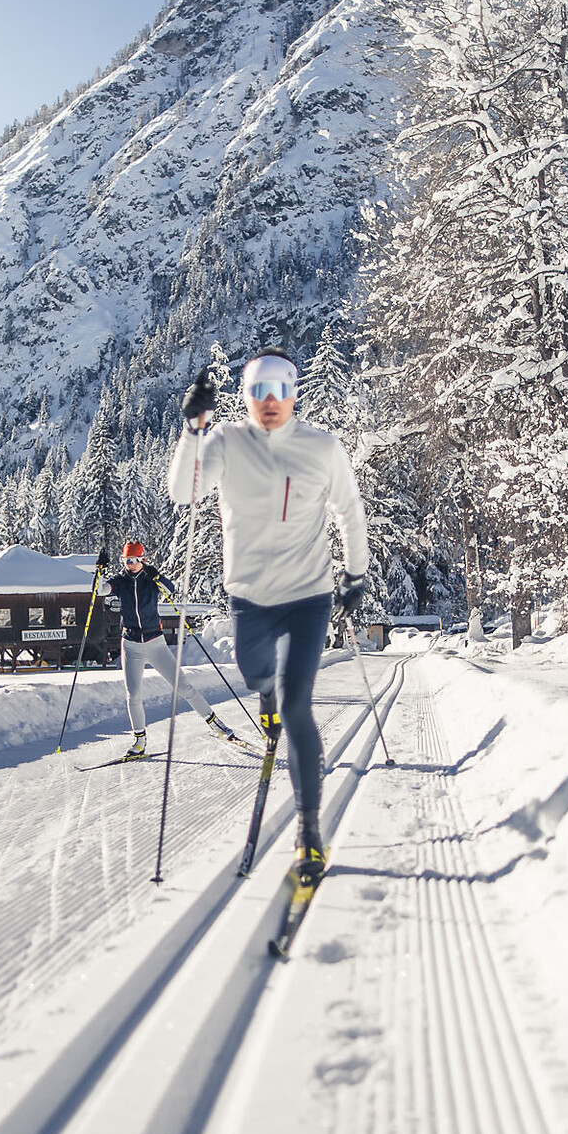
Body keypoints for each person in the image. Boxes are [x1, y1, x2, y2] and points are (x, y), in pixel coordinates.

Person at [169, 347, 369, 876]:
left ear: (294, 392)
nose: (270, 401)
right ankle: (267, 695)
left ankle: (309, 827)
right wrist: (192, 429)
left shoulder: (321, 447)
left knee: (297, 706)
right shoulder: (227, 442)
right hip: (250, 599)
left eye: (280, 389)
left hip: (308, 597)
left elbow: (349, 511)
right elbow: (182, 492)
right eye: (259, 391)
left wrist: (355, 572)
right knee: (257, 672)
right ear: (246, 396)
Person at [106, 540, 243, 758]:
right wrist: (99, 573)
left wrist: (156, 576)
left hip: (155, 643)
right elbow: (103, 590)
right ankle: (139, 742)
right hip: (131, 644)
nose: (129, 564)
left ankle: (216, 724)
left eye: (132, 560)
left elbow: (170, 589)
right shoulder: (121, 581)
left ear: (141, 559)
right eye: (125, 560)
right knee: (133, 695)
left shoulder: (150, 579)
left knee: (184, 687)